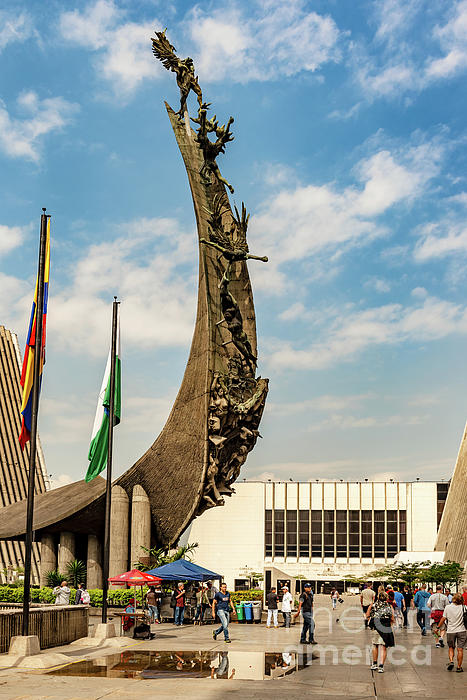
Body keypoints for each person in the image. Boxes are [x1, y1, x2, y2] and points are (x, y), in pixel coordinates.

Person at [436, 592, 467, 672]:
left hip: (451, 631)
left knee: (451, 647)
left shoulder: (448, 607)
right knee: (460, 649)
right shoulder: (464, 607)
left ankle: (451, 661)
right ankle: (459, 667)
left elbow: (443, 618)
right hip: (462, 630)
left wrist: (438, 627)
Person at [366, 591, 395, 674]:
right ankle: (381, 666)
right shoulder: (389, 606)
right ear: (387, 598)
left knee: (375, 645)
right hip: (385, 628)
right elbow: (392, 618)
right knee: (384, 647)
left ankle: (374, 664)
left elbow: (367, 615)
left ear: (378, 597)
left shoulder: (373, 605)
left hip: (375, 626)